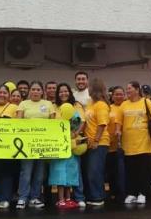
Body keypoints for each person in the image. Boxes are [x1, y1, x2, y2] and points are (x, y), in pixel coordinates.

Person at [15, 81, 54, 209]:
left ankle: (35, 197)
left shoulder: (48, 104)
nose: (36, 92)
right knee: (25, 171)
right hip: (26, 144)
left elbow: (53, 123)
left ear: (42, 91)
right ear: (29, 91)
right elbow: (18, 122)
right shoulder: (23, 104)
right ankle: (22, 198)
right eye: (33, 89)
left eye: (38, 89)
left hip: (43, 144)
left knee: (39, 173)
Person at [121, 81, 151, 205]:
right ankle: (132, 193)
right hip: (128, 144)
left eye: (129, 88)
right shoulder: (124, 104)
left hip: (145, 143)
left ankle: (143, 193)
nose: (127, 91)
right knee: (131, 170)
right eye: (126, 89)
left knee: (144, 170)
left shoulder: (146, 102)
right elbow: (119, 121)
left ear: (137, 90)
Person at [49, 84, 84, 210]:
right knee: (59, 172)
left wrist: (75, 133)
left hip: (71, 143)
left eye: (66, 91)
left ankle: (69, 199)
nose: (63, 93)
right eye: (61, 91)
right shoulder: (53, 106)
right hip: (58, 144)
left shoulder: (76, 106)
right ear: (57, 94)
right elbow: (50, 123)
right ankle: (61, 199)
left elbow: (81, 122)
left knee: (70, 171)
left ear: (69, 92)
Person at [83, 77, 110, 207]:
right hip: (89, 142)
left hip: (99, 143)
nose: (87, 89)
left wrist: (96, 140)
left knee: (95, 171)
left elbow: (102, 124)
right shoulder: (90, 104)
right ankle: (92, 195)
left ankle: (98, 196)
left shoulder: (101, 105)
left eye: (89, 87)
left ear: (94, 89)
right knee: (90, 171)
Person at [105, 86, 126, 202]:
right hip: (111, 145)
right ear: (112, 96)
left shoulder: (127, 106)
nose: (118, 96)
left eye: (121, 94)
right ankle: (114, 192)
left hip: (127, 144)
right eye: (116, 94)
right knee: (112, 171)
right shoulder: (108, 108)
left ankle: (125, 191)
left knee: (125, 171)